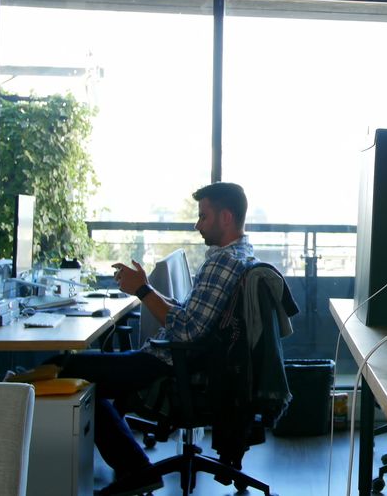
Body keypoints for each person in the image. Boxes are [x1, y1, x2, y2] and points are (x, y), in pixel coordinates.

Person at [52, 182, 256, 495]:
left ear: (225, 217)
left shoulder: (222, 261)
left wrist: (142, 291)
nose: (197, 224)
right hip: (180, 359)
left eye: (203, 216)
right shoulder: (240, 254)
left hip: (167, 363)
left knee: (62, 369)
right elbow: (191, 315)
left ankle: (135, 471)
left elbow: (187, 330)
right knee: (87, 376)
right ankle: (134, 469)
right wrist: (147, 287)